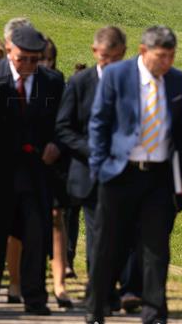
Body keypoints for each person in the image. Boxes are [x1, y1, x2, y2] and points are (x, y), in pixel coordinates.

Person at [86, 25, 182, 324]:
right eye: (162, 56)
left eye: (172, 56)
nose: (167, 63)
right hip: (120, 174)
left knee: (156, 248)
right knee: (108, 246)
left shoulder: (176, 80)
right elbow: (99, 123)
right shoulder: (116, 76)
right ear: (143, 51)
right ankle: (96, 308)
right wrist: (99, 168)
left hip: (158, 178)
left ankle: (154, 314)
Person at [0, 25, 64, 315]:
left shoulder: (52, 81)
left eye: (34, 60)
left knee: (36, 234)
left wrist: (55, 144)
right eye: (21, 58)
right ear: (9, 50)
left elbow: (60, 123)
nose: (27, 65)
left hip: (35, 172)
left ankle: (34, 297)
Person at [55, 26, 129, 303]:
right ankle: (99, 293)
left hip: (125, 170)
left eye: (116, 57)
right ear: (94, 52)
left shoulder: (132, 82)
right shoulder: (80, 83)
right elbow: (64, 127)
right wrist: (94, 150)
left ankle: (115, 286)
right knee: (98, 233)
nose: (110, 63)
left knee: (121, 233)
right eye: (104, 57)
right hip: (90, 170)